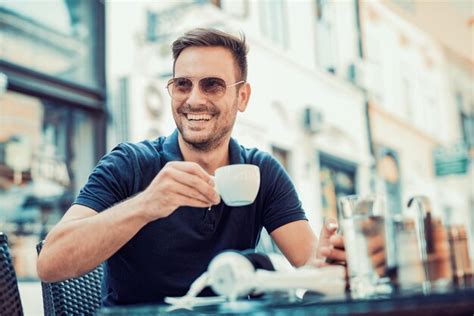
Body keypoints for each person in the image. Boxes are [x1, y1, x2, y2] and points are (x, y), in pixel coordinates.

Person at [37, 28, 345, 306]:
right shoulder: (128, 163)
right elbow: (50, 263)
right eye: (183, 85)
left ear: (242, 96)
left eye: (212, 85)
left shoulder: (261, 171)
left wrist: (333, 261)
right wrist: (146, 205)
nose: (194, 100)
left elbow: (311, 265)